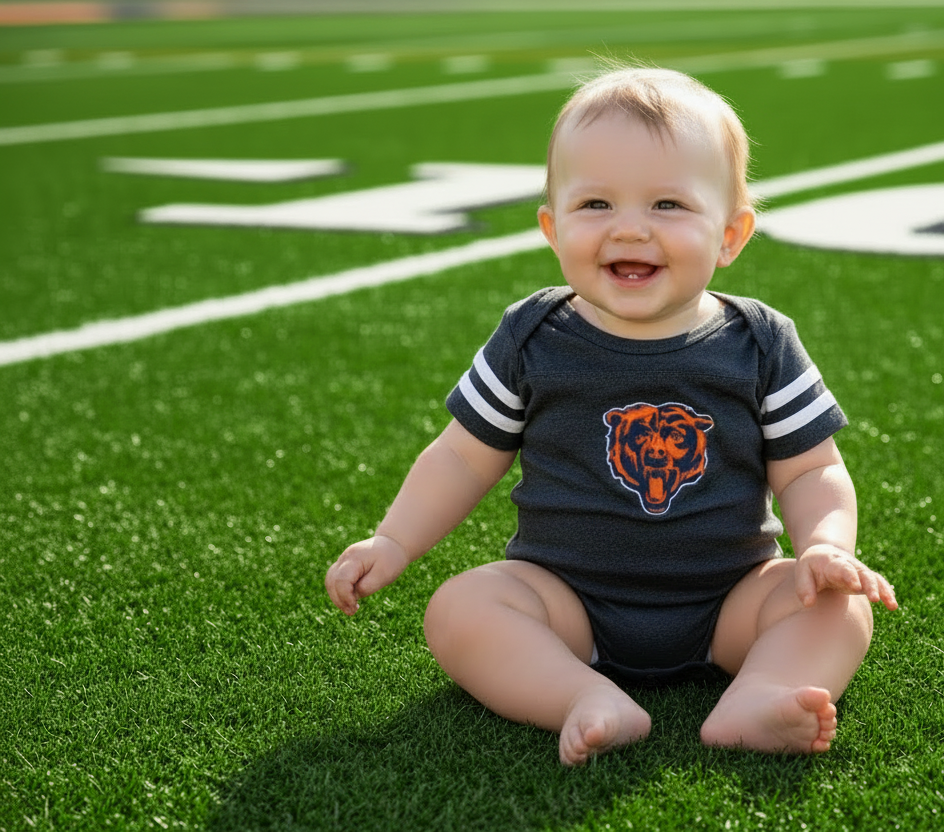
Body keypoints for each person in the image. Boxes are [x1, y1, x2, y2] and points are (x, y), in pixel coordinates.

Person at [325, 66, 898, 766]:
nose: (630, 229)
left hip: (730, 601)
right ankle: (580, 696)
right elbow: (462, 455)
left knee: (837, 607)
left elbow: (812, 469)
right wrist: (393, 540)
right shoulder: (532, 336)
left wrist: (824, 545)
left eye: (667, 205)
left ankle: (760, 694)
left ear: (730, 235)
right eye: (595, 204)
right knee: (459, 607)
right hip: (567, 602)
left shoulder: (759, 341)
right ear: (551, 226)